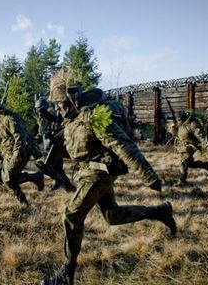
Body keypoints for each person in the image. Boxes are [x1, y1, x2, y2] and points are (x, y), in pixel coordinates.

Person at [41, 69, 176, 285]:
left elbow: (122, 145)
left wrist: (149, 176)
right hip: (90, 170)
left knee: (72, 215)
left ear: (71, 99)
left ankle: (67, 273)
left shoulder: (93, 117)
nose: (56, 107)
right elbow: (81, 150)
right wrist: (55, 150)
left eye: (60, 102)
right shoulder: (72, 120)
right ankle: (160, 212)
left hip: (99, 173)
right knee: (113, 216)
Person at [0, 100, 44, 204]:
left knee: (8, 180)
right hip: (7, 153)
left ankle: (35, 179)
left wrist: (16, 153)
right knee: (7, 179)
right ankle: (24, 198)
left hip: (20, 151)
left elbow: (20, 136)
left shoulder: (9, 118)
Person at [34, 96, 76, 192]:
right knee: (58, 169)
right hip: (50, 146)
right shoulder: (42, 119)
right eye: (37, 110)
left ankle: (59, 181)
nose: (38, 111)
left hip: (56, 147)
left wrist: (46, 114)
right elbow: (41, 133)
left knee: (42, 163)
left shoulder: (55, 116)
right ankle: (69, 188)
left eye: (39, 109)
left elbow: (58, 121)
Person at [174, 110, 208, 186]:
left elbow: (201, 136)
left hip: (192, 145)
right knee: (189, 164)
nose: (178, 120)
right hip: (183, 146)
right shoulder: (180, 124)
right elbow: (178, 135)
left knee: (183, 161)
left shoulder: (192, 124)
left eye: (179, 119)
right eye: (177, 119)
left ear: (183, 117)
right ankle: (206, 165)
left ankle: (182, 181)